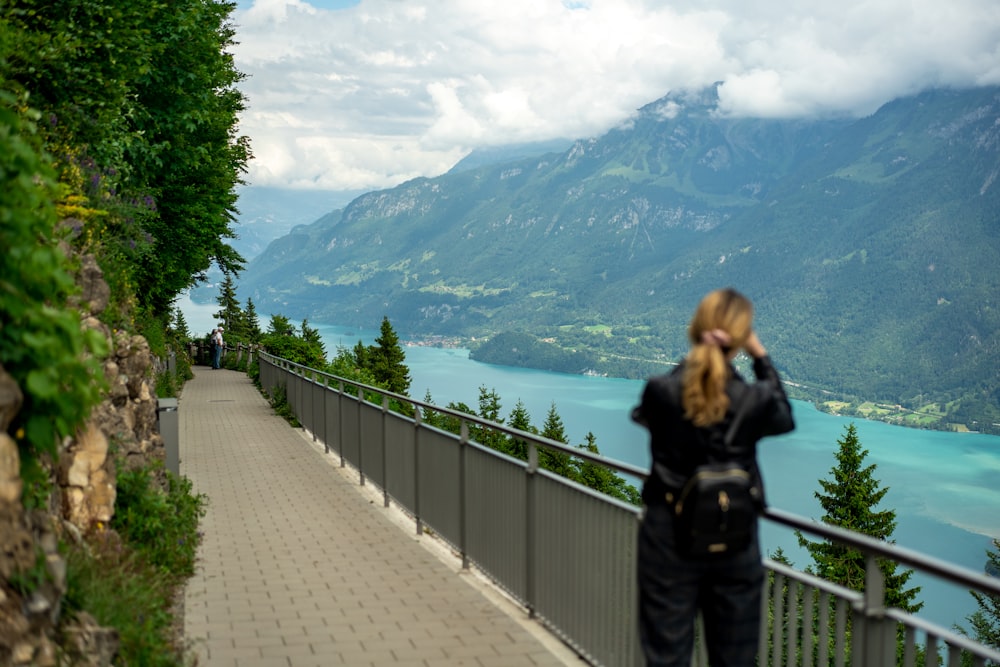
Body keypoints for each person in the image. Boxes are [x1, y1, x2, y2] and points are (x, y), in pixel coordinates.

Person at [631, 287, 795, 667]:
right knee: (735, 658)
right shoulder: (753, 400)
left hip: (667, 539)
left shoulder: (662, 391)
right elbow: (784, 415)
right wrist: (760, 355)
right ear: (739, 339)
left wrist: (693, 357)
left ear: (696, 330)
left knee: (666, 656)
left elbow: (644, 414)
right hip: (734, 539)